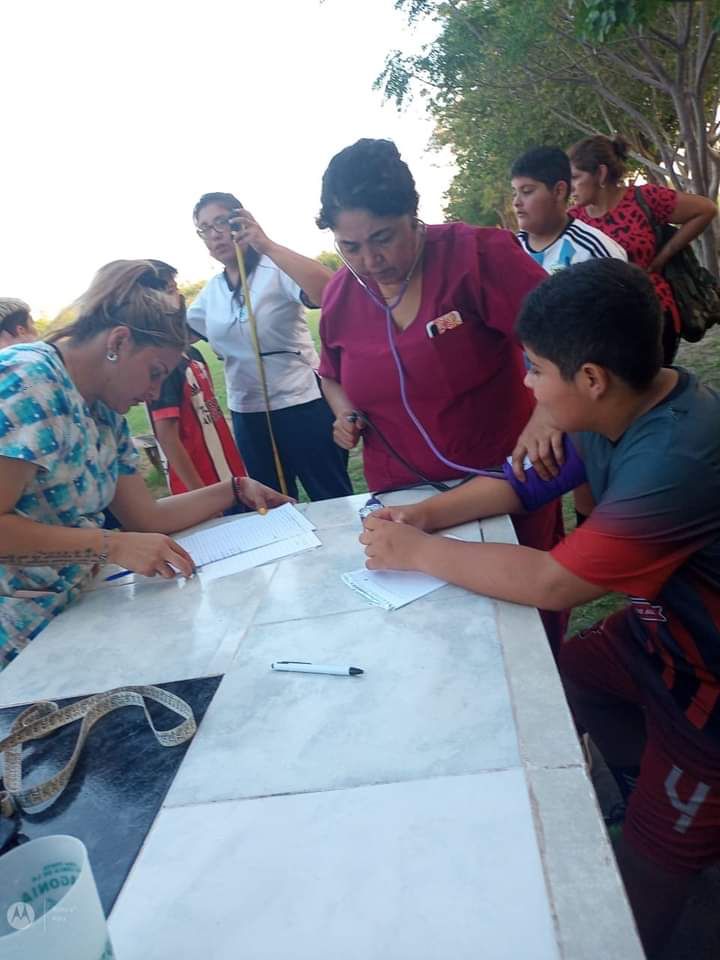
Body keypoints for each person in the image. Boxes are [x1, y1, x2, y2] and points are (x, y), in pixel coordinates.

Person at [359, 258, 720, 957]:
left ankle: (665, 872)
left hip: (710, 685)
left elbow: (556, 583)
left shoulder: (677, 457)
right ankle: (660, 790)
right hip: (663, 633)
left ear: (590, 378)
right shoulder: (618, 405)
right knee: (566, 681)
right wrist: (426, 516)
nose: (526, 385)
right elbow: (520, 486)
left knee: (647, 861)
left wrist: (417, 555)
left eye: (533, 369)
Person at [316, 138, 564, 639]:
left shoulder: (477, 256)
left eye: (383, 238)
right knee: (435, 642)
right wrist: (343, 412)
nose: (370, 261)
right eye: (350, 247)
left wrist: (547, 416)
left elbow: (567, 337)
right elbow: (330, 373)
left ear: (413, 216)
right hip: (403, 505)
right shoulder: (343, 294)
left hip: (502, 491)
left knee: (523, 641)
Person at [0, 260, 291, 671]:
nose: (154, 392)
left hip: (72, 618)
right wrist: (110, 545)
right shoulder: (26, 382)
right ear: (118, 342)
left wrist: (233, 489)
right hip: (15, 644)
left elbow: (144, 516)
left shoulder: (104, 412)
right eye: (154, 373)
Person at [187, 193, 352, 502]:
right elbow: (173, 335)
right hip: (248, 415)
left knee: (331, 497)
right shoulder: (212, 292)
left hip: (302, 405)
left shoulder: (274, 269)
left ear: (241, 220)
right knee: (271, 505)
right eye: (204, 228)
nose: (214, 234)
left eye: (221, 222)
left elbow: (331, 291)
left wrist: (268, 245)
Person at [568, 134, 717, 363]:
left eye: (576, 177)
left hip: (655, 314)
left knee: (651, 385)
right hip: (605, 325)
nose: (571, 187)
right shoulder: (573, 221)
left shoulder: (643, 198)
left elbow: (705, 209)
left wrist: (663, 256)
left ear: (601, 174)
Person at [145, 261, 246, 495]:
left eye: (176, 288)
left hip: (227, 477)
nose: (179, 297)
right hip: (202, 489)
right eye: (171, 291)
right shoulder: (164, 366)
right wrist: (200, 495)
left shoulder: (192, 353)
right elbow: (167, 435)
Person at [511, 146, 627, 271]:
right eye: (514, 193)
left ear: (559, 191)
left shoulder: (593, 251)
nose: (516, 202)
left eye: (527, 191)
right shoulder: (511, 251)